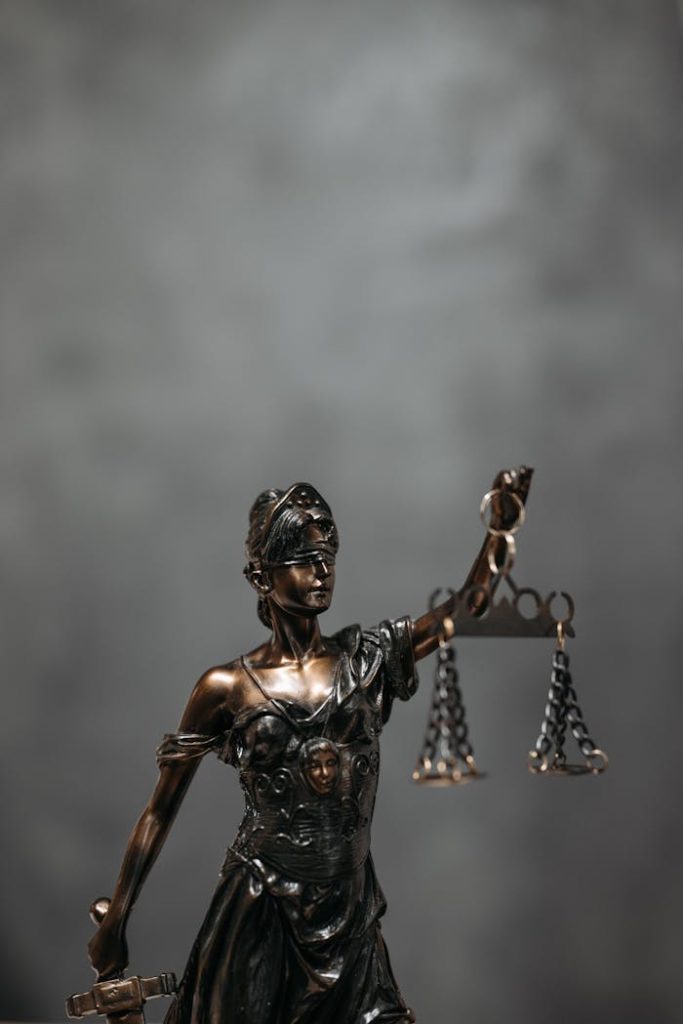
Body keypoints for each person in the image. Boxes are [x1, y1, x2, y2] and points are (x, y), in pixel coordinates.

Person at [87, 474, 530, 1024]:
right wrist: (117, 919)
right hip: (261, 906)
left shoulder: (366, 661)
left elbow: (468, 607)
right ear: (259, 576)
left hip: (349, 911)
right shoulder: (227, 689)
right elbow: (159, 809)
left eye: (327, 556)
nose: (321, 571)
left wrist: (500, 530)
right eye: (301, 558)